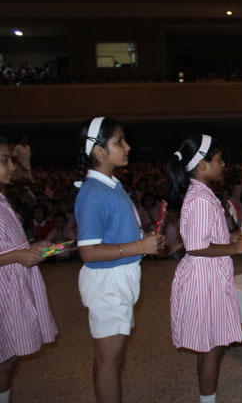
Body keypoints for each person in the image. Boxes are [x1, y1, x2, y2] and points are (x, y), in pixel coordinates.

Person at [74, 117, 165, 403]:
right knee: (109, 362)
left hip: (118, 278)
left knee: (111, 359)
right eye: (119, 141)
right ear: (99, 151)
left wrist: (144, 241)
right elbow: (89, 251)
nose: (127, 147)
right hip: (107, 282)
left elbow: (115, 232)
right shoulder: (93, 193)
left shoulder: (111, 185)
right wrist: (139, 245)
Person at [166, 133, 242, 403]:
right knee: (213, 348)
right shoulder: (200, 199)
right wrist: (234, 249)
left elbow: (204, 237)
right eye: (219, 159)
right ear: (202, 165)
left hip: (208, 273)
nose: (223, 164)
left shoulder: (202, 194)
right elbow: (196, 246)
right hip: (204, 278)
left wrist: (229, 237)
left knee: (208, 346)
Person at [0, 135, 58, 403]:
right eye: (5, 161)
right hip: (4, 289)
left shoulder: (3, 199)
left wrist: (32, 247)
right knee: (4, 359)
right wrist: (18, 255)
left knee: (10, 356)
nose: (13, 167)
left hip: (12, 285)